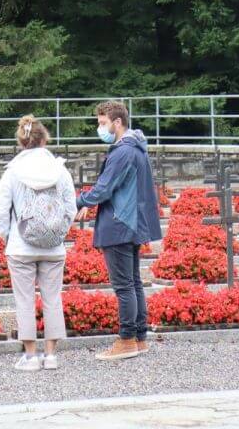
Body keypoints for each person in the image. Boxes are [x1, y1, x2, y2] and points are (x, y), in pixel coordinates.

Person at [76, 100, 162, 361]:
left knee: (124, 286)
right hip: (132, 223)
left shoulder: (123, 151)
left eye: (102, 123)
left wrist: (78, 201)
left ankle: (126, 340)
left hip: (119, 223)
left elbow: (105, 187)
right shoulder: (137, 148)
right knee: (133, 283)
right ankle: (139, 337)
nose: (99, 128)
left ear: (117, 122)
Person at [0, 115, 76, 371]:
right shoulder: (59, 170)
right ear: (44, 139)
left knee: (24, 300)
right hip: (53, 246)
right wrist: (59, 231)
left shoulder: (13, 172)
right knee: (53, 298)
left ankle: (30, 356)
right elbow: (70, 207)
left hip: (21, 245)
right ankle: (51, 355)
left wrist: (7, 234)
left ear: (21, 141)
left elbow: (0, 208)